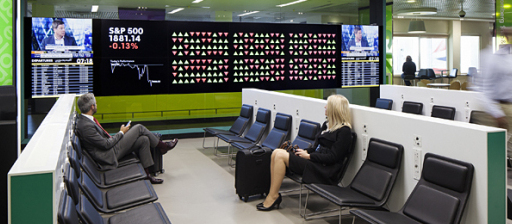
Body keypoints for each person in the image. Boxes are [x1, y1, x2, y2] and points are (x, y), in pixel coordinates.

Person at [256, 95, 352, 211]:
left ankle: (274, 196)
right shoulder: (327, 125)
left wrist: (309, 156)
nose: (325, 107)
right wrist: (306, 151)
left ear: (335, 109)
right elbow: (317, 147)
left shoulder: (344, 132)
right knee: (277, 152)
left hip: (324, 170)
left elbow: (333, 157)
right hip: (315, 162)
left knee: (280, 155)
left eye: (328, 105)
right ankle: (272, 193)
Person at [75, 93, 178, 184]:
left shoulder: (86, 121)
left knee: (144, 140)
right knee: (139, 128)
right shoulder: (85, 126)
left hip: (110, 149)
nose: (97, 106)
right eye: (96, 104)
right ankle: (163, 146)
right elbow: (106, 144)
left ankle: (147, 175)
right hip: (109, 155)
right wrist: (121, 133)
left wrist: (120, 133)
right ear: (92, 107)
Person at [473, 27, 512, 164]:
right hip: (495, 109)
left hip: (508, 108)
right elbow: (483, 89)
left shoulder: (508, 55)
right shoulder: (489, 56)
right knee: (493, 156)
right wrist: (497, 113)